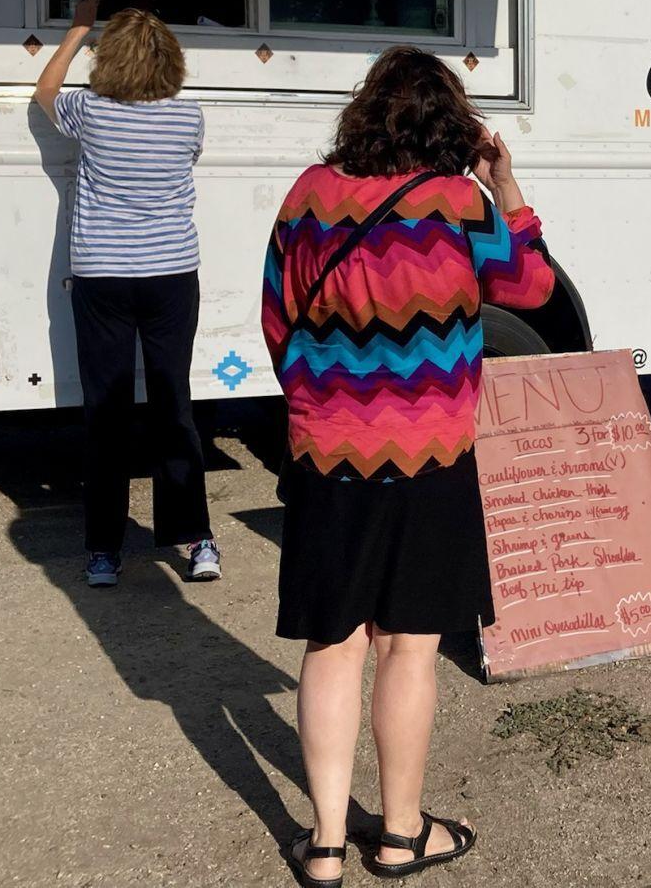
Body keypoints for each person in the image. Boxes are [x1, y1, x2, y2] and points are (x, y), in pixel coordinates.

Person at [261, 45, 555, 885]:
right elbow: (530, 286)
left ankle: (321, 845)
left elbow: (277, 318)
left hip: (327, 457)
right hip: (431, 457)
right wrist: (507, 185)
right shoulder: (459, 204)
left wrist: (322, 404)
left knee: (332, 644)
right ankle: (398, 834)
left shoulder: (307, 196)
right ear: (450, 125)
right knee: (410, 649)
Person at [32, 0, 220, 589]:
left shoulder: (89, 112)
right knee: (174, 407)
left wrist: (78, 29)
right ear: (170, 62)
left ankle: (104, 551)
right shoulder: (187, 117)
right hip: (170, 276)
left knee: (106, 414)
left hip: (103, 277)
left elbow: (44, 95)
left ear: (108, 61)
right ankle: (194, 539)